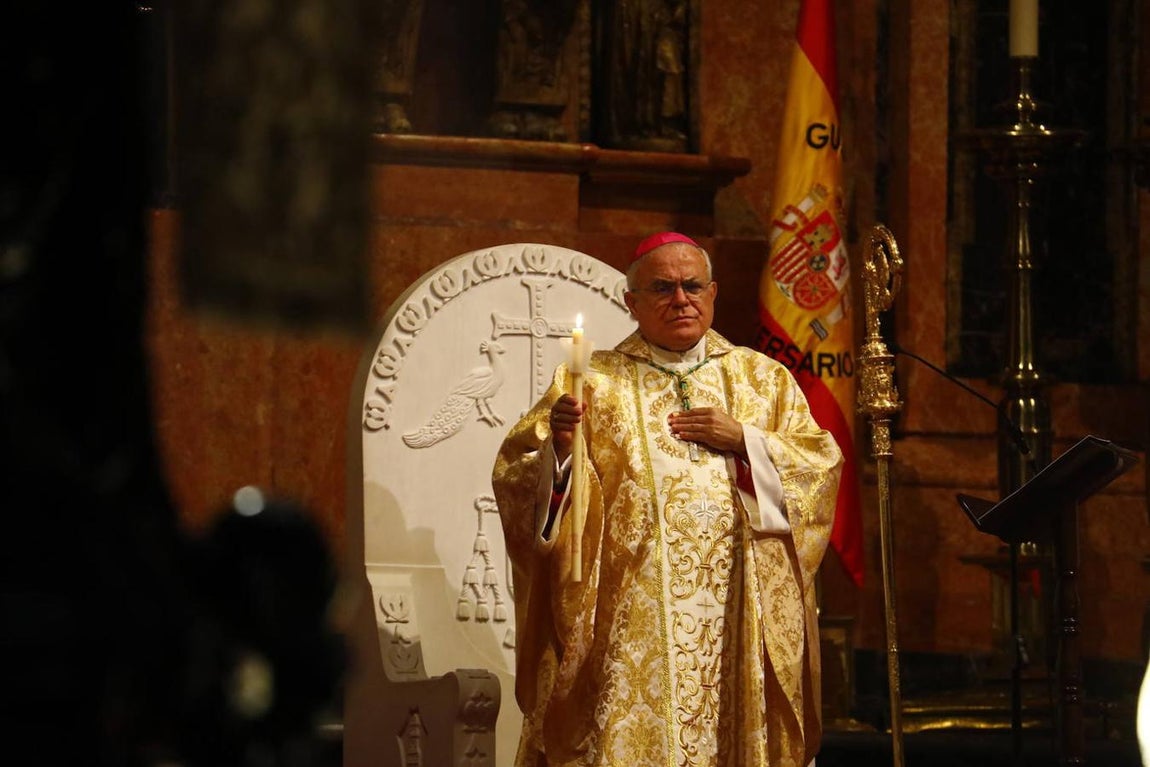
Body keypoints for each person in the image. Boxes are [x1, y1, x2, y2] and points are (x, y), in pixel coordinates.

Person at [492, 231, 843, 767]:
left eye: (692, 286)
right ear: (631, 302)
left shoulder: (762, 380)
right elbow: (518, 481)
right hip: (630, 621)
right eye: (662, 288)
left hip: (738, 613)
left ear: (713, 293)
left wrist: (745, 440)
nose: (681, 299)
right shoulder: (592, 382)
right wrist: (560, 452)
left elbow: (819, 467)